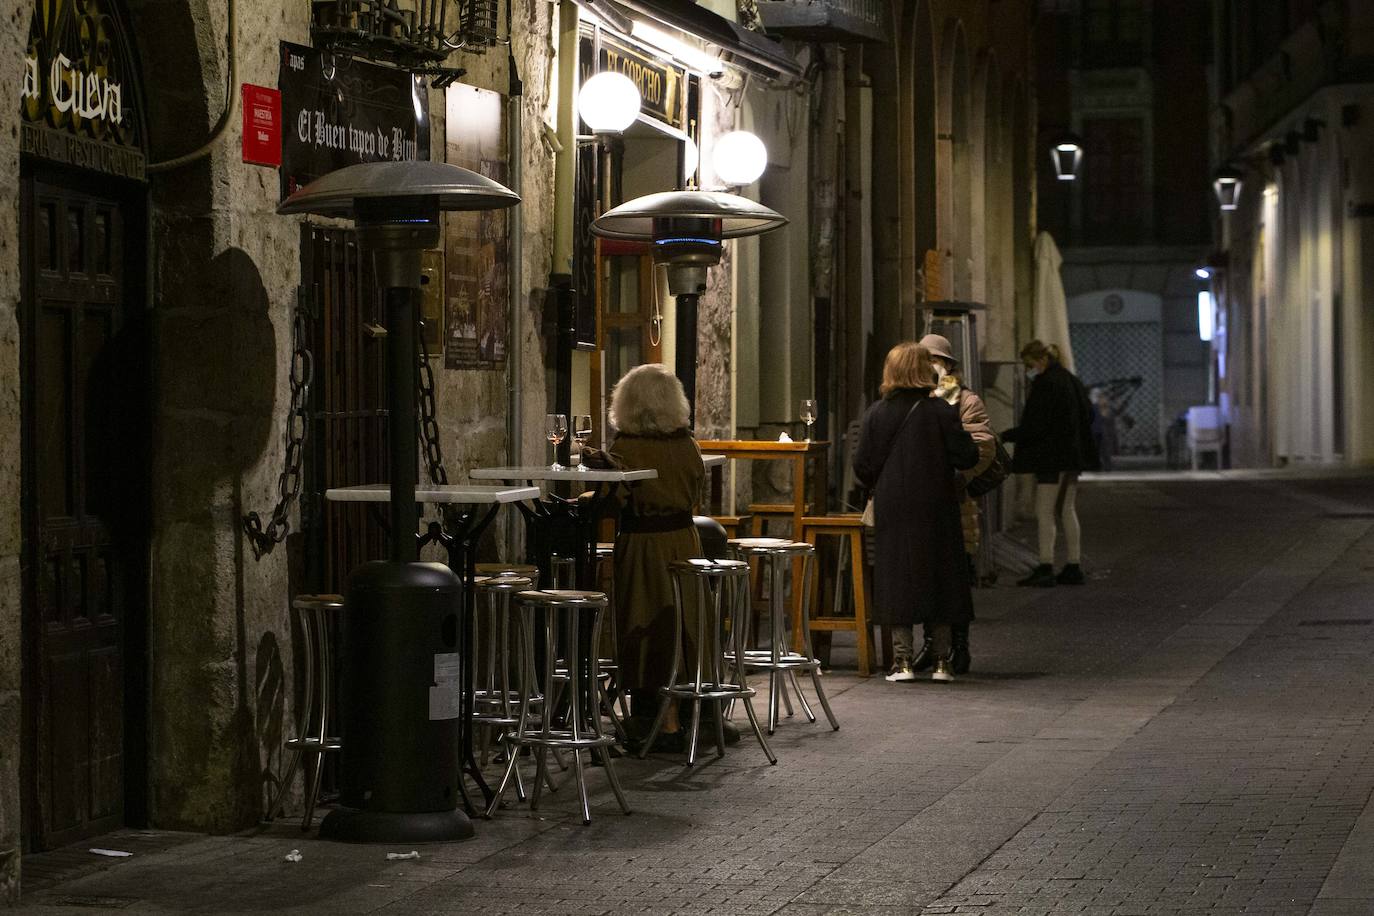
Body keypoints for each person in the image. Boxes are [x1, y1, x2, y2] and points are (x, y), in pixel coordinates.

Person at [855, 342, 979, 683]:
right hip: (937, 503)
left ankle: (903, 662)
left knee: (897, 578)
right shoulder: (940, 411)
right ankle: (941, 662)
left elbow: (862, 466)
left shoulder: (877, 413)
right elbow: (967, 455)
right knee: (940, 576)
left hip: (894, 505)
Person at [602, 364, 705, 750]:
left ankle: (656, 721)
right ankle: (687, 712)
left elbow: (615, 501)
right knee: (682, 624)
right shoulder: (687, 444)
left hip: (645, 546)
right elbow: (696, 492)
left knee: (644, 624)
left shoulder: (626, 448)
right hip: (684, 541)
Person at [918, 334, 996, 675]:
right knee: (926, 576)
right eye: (925, 359)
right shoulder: (916, 399)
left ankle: (960, 647)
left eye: (936, 359)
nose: (932, 365)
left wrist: (960, 477)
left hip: (956, 502)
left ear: (949, 365)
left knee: (957, 578)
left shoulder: (964, 400)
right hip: (923, 502)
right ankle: (932, 646)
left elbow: (982, 445)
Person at [1002, 340, 1099, 587]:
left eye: (1030, 364)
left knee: (1044, 511)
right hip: (1072, 457)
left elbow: (1035, 425)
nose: (1029, 369)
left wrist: (1006, 435)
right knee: (1067, 509)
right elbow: (1089, 413)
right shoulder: (1070, 379)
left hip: (1051, 458)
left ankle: (1046, 566)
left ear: (1041, 360)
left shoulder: (1046, 384)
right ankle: (1073, 565)